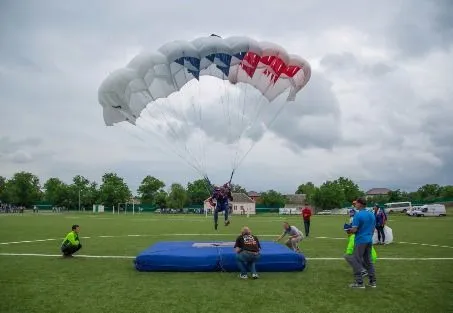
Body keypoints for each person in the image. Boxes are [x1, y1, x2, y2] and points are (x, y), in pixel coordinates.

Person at [346, 198, 377, 288]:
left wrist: (348, 230)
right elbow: (373, 228)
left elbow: (354, 230)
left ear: (360, 204)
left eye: (356, 203)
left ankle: (359, 283)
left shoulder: (358, 215)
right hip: (369, 240)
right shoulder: (371, 214)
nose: (355, 205)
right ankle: (372, 282)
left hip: (360, 241)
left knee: (356, 261)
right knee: (368, 261)